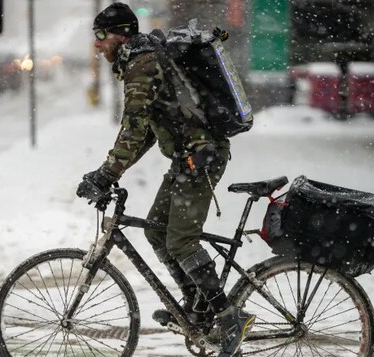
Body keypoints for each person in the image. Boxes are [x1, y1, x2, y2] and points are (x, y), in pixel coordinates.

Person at [76, 3, 255, 356]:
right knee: (157, 229)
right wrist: (111, 172)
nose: (97, 44)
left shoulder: (142, 64)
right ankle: (197, 305)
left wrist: (106, 173)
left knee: (182, 241)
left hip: (200, 158)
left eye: (101, 35)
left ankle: (228, 314)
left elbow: (133, 127)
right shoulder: (140, 59)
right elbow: (145, 134)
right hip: (186, 158)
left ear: (121, 34)